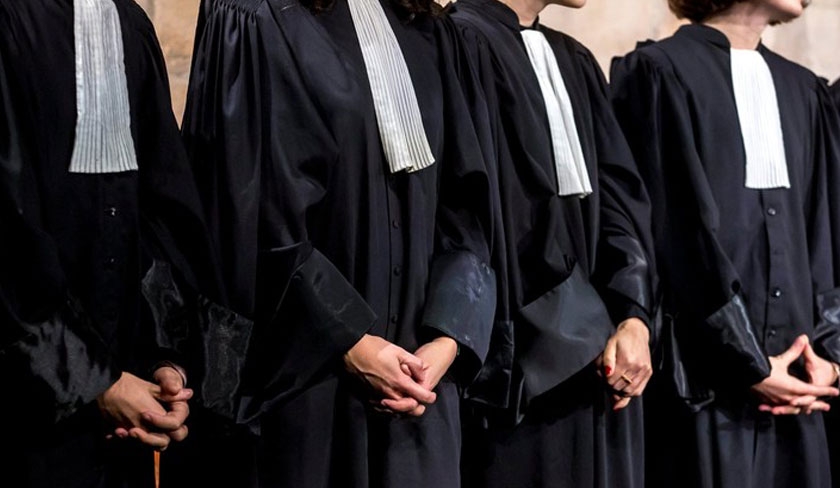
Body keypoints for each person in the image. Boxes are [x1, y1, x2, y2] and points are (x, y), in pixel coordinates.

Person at [177, 0, 496, 486]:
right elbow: (246, 215)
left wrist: (448, 340)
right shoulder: (255, 16)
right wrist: (349, 341)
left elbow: (465, 208)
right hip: (307, 390)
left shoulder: (431, 32)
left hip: (421, 396)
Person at [611, 0, 840, 486]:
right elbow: (678, 234)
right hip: (703, 382)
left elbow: (826, 233)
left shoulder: (801, 89)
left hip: (801, 384)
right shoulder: (660, 71)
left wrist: (828, 354)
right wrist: (745, 362)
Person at [0, 0, 226, 486]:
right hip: (26, 400)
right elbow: (6, 234)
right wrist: (92, 379)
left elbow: (164, 211)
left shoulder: (129, 26)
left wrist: (165, 359)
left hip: (126, 404)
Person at [449, 0, 655, 486]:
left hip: (604, 363)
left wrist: (634, 317)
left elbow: (620, 200)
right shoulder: (458, 41)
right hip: (517, 375)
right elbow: (477, 214)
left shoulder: (574, 59)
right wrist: (580, 329)